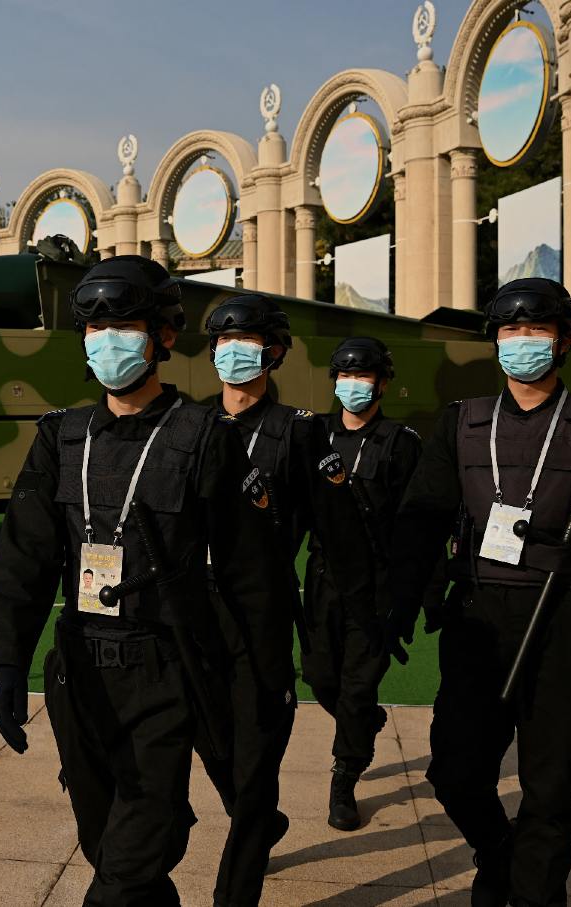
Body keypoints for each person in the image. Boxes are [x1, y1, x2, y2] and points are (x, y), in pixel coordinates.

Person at [0, 256, 279, 906]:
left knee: (124, 867)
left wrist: (262, 686)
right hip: (79, 673)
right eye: (95, 327)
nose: (107, 340)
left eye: (124, 324)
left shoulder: (204, 437)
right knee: (112, 848)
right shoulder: (60, 438)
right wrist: (8, 662)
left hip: (164, 669)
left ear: (165, 335)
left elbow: (249, 574)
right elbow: (24, 558)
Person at [389, 277, 571, 907]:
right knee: (455, 773)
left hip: (559, 613)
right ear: (495, 341)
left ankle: (535, 893)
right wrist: (402, 601)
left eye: (538, 329)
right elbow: (422, 519)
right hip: (478, 616)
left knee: (550, 786)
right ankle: (499, 851)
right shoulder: (461, 421)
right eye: (511, 329)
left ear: (563, 342)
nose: (523, 341)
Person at [199, 294, 378, 905]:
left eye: (246, 341)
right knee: (210, 742)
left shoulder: (301, 433)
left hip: (264, 619)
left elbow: (341, 533)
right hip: (194, 617)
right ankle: (258, 817)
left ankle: (238, 881)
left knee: (254, 761)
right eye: (223, 341)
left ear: (273, 352)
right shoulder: (188, 424)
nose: (233, 352)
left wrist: (367, 616)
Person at [300, 337, 426, 831]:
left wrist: (414, 597)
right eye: (345, 375)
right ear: (334, 380)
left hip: (375, 584)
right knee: (320, 679)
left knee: (355, 689)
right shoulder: (313, 435)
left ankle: (344, 778)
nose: (354, 384)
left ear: (383, 383)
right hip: (323, 577)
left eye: (365, 375)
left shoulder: (400, 442)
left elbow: (416, 524)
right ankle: (364, 721)